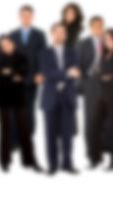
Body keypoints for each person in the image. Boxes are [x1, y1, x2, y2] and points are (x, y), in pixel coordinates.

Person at [0, 35, 42, 173]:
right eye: (2, 45)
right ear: (0, 47)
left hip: (19, 96)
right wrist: (14, 74)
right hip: (3, 97)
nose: (5, 47)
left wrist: (9, 73)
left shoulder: (21, 55)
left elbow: (24, 71)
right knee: (5, 129)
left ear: (13, 44)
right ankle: (4, 161)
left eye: (8, 44)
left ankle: (30, 161)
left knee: (24, 128)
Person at [40, 23, 80, 175]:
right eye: (57, 32)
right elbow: (46, 73)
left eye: (63, 32)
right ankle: (52, 165)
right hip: (50, 98)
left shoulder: (73, 52)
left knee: (67, 135)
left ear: (66, 35)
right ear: (52, 34)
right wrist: (66, 74)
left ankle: (67, 164)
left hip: (68, 98)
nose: (60, 35)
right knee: (50, 134)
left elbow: (75, 72)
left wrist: (65, 75)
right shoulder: (44, 53)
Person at [10, 5, 47, 138]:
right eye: (23, 15)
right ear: (19, 16)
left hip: (33, 78)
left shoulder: (40, 34)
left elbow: (44, 56)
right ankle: (15, 139)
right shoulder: (12, 34)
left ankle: (28, 136)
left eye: (28, 15)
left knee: (29, 108)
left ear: (32, 17)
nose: (26, 17)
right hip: (16, 79)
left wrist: (41, 74)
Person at [92, 29, 113, 170]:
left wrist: (104, 73)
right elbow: (98, 72)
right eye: (105, 40)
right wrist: (103, 74)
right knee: (95, 124)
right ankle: (96, 158)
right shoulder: (104, 55)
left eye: (110, 39)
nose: (107, 42)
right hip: (101, 93)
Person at [76, 16, 105, 168]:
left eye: (101, 25)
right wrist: (84, 83)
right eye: (95, 26)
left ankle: (103, 153)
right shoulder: (83, 43)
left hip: (108, 85)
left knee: (106, 121)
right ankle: (92, 155)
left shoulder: (109, 41)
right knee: (91, 120)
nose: (98, 28)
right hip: (91, 84)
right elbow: (77, 65)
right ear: (90, 27)